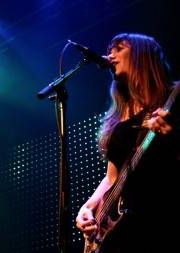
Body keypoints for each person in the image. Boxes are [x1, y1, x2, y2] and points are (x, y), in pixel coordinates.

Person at [75, 33, 180, 252]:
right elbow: (113, 177)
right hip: (123, 230)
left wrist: (174, 138)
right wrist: (89, 206)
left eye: (119, 48)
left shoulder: (173, 97)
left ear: (142, 55)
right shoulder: (119, 116)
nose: (110, 54)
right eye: (109, 49)